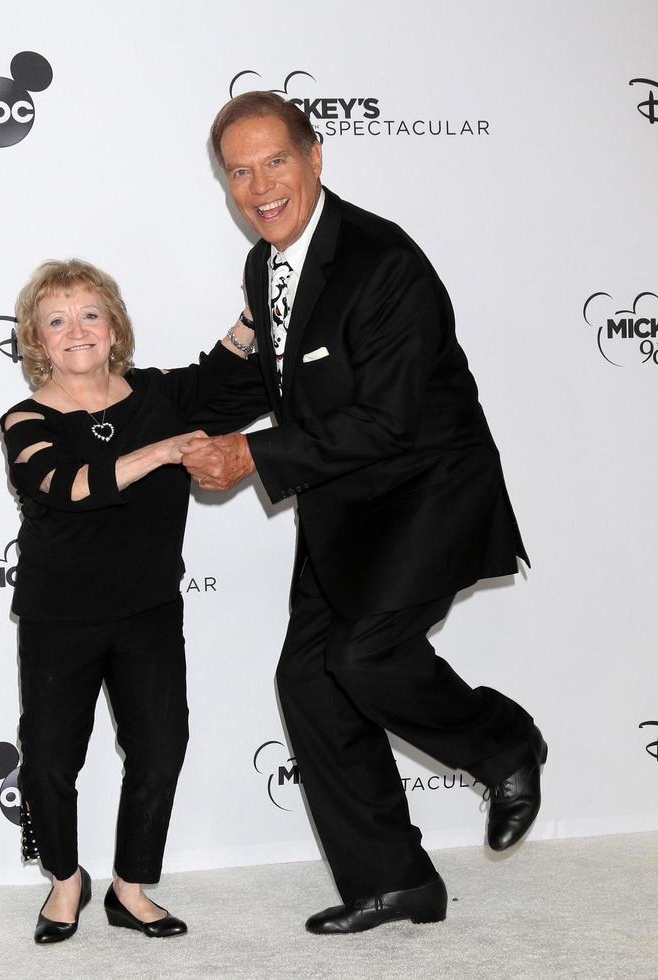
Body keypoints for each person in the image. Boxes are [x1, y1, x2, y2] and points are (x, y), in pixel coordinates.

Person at [182, 92, 546, 935]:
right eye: (240, 171)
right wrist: (129, 403)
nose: (260, 186)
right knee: (308, 679)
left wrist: (251, 458)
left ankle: (503, 743)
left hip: (426, 492)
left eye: (276, 161)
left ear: (316, 155)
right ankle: (395, 881)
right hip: (342, 501)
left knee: (365, 653)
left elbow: (387, 418)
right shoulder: (265, 265)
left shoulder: (384, 262)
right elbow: (251, 380)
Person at [0, 258, 256, 943]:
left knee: (161, 747)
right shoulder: (24, 420)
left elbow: (227, 381)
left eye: (90, 313)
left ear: (113, 327)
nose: (75, 329)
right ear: (37, 341)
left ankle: (131, 888)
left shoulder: (158, 396)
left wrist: (256, 313)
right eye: (56, 320)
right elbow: (65, 484)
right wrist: (162, 453)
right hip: (60, 618)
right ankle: (65, 882)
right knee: (51, 759)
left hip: (147, 612)